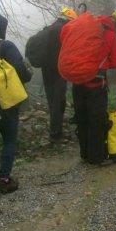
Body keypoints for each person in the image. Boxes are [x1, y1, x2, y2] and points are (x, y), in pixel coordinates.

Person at [0, 12, 33, 194]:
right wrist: (29, 74)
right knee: (9, 140)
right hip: (6, 103)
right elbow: (22, 72)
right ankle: (5, 179)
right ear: (0, 27)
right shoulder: (6, 46)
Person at [72, 11, 116, 166]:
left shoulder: (86, 29)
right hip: (95, 85)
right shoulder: (110, 35)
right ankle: (96, 158)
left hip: (77, 82)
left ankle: (84, 154)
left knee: (82, 118)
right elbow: (115, 62)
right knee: (96, 121)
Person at [40, 8, 77, 142]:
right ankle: (55, 134)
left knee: (52, 101)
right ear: (69, 20)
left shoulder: (49, 28)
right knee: (58, 102)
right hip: (58, 71)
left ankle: (55, 131)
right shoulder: (62, 30)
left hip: (47, 70)